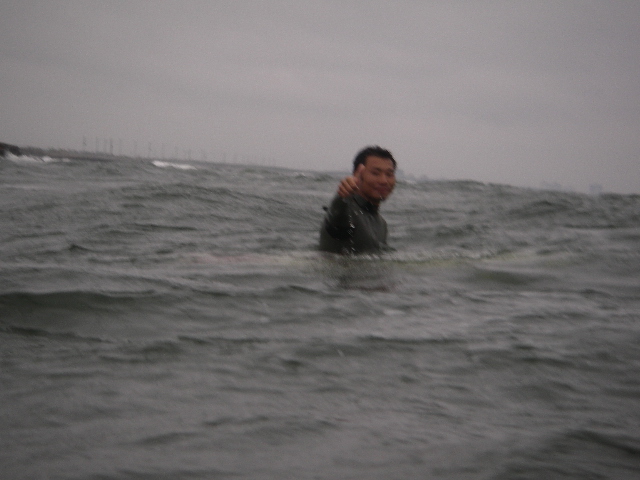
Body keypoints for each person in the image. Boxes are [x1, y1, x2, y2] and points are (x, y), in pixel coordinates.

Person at [319, 145, 397, 254]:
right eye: (375, 173)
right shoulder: (349, 213)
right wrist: (342, 197)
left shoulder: (381, 224)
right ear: (358, 174)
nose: (384, 181)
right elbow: (336, 216)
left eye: (389, 174)